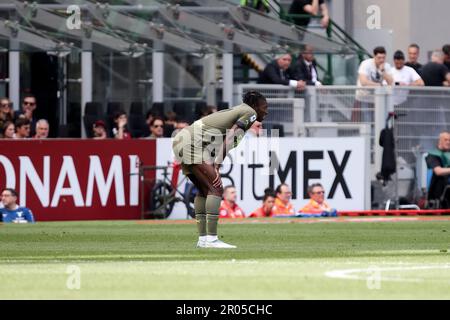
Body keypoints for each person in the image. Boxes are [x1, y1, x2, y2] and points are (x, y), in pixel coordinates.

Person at [172, 90, 268, 248]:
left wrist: (215, 164)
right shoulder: (249, 112)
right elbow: (230, 137)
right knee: (216, 188)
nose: (266, 111)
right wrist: (216, 165)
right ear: (256, 106)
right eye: (265, 107)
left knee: (204, 191)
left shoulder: (238, 112)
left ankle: (203, 239)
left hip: (184, 140)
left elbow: (222, 143)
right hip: (191, 143)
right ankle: (211, 239)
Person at [355, 46, 394, 122]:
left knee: (379, 120)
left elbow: (391, 82)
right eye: (379, 58)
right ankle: (368, 134)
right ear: (374, 56)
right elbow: (363, 82)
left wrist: (383, 72)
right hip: (364, 96)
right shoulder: (365, 64)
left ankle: (376, 134)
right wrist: (379, 85)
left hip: (377, 97)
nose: (381, 60)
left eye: (383, 58)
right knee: (367, 120)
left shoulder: (386, 66)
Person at [425, 131, 450, 208]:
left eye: (449, 140)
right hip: (438, 195)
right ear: (439, 141)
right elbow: (438, 171)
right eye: (446, 140)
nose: (448, 142)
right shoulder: (433, 154)